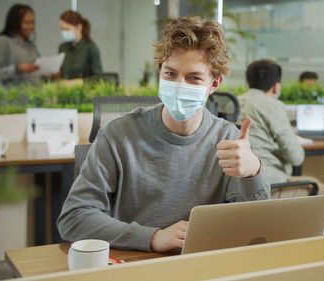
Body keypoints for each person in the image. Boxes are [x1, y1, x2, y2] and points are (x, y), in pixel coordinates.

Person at [57, 16, 270, 253]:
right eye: (170, 74)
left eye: (194, 78)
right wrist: (152, 237)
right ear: (160, 72)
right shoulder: (118, 135)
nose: (180, 85)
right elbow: (74, 218)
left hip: (199, 266)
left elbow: (254, 231)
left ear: (214, 84)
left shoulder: (230, 142)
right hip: (133, 264)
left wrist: (254, 172)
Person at [237, 59, 324, 209]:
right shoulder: (273, 105)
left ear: (248, 83)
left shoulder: (236, 102)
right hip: (269, 186)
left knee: (312, 179)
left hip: (242, 186)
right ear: (276, 87)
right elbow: (296, 157)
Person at [0, 4, 40, 85]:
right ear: (15, 22)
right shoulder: (2, 41)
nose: (31, 26)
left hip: (33, 95)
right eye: (27, 23)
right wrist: (17, 69)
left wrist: (49, 73)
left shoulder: (31, 45)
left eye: (33, 22)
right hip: (13, 96)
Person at [57, 10, 102, 79]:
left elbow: (98, 77)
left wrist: (78, 83)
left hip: (84, 89)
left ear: (79, 27)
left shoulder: (90, 48)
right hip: (65, 88)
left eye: (67, 29)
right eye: (62, 29)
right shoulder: (62, 48)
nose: (64, 32)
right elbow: (61, 72)